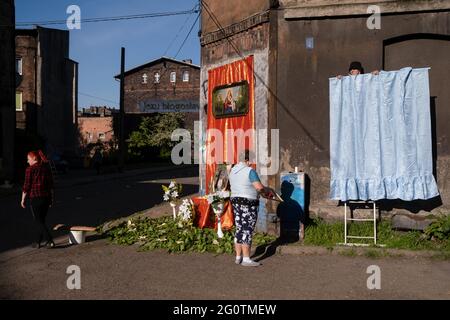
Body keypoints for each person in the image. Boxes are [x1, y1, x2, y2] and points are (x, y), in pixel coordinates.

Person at [229, 150, 274, 267]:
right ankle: (247, 259)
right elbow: (259, 188)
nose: (251, 163)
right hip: (248, 204)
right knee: (247, 229)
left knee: (239, 228)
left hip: (235, 202)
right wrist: (267, 191)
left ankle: (238, 257)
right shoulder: (250, 171)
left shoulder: (232, 170)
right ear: (247, 160)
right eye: (251, 161)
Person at [21, 150, 55, 249]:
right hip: (46, 198)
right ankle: (37, 242)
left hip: (36, 199)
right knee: (41, 221)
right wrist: (52, 199)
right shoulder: (46, 168)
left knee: (38, 221)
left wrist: (22, 200)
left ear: (34, 158)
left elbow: (26, 186)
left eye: (28, 159)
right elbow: (51, 185)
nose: (27, 161)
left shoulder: (29, 170)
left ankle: (50, 240)